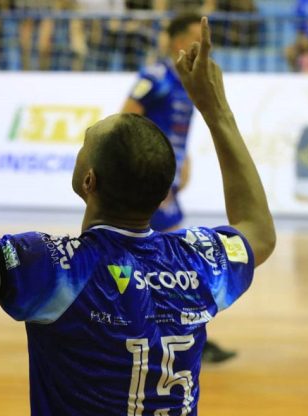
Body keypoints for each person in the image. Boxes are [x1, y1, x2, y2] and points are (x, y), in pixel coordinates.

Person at [0, 17, 275, 416]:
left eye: (85, 143)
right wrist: (216, 111)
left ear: (89, 180)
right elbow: (257, 230)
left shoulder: (52, 267)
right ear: (165, 192)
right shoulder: (199, 261)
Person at [122, 12, 236, 363]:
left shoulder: (187, 81)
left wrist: (181, 164)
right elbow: (125, 120)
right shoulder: (155, 77)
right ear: (176, 42)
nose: (200, 45)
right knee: (173, 259)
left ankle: (167, 334)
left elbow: (178, 131)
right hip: (149, 185)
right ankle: (189, 339)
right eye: (193, 38)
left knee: (152, 260)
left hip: (164, 182)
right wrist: (147, 174)